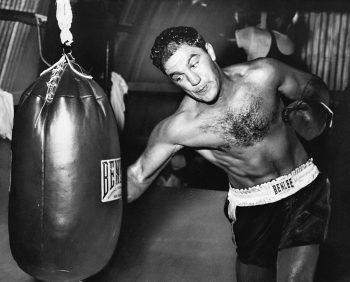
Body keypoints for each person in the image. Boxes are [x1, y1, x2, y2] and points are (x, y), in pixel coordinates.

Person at [127, 26, 332, 281]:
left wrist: (317, 113)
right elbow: (137, 177)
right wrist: (87, 208)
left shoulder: (264, 74)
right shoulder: (181, 127)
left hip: (305, 187)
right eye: (178, 77)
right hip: (254, 204)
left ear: (209, 51)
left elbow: (313, 87)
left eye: (194, 63)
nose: (193, 81)